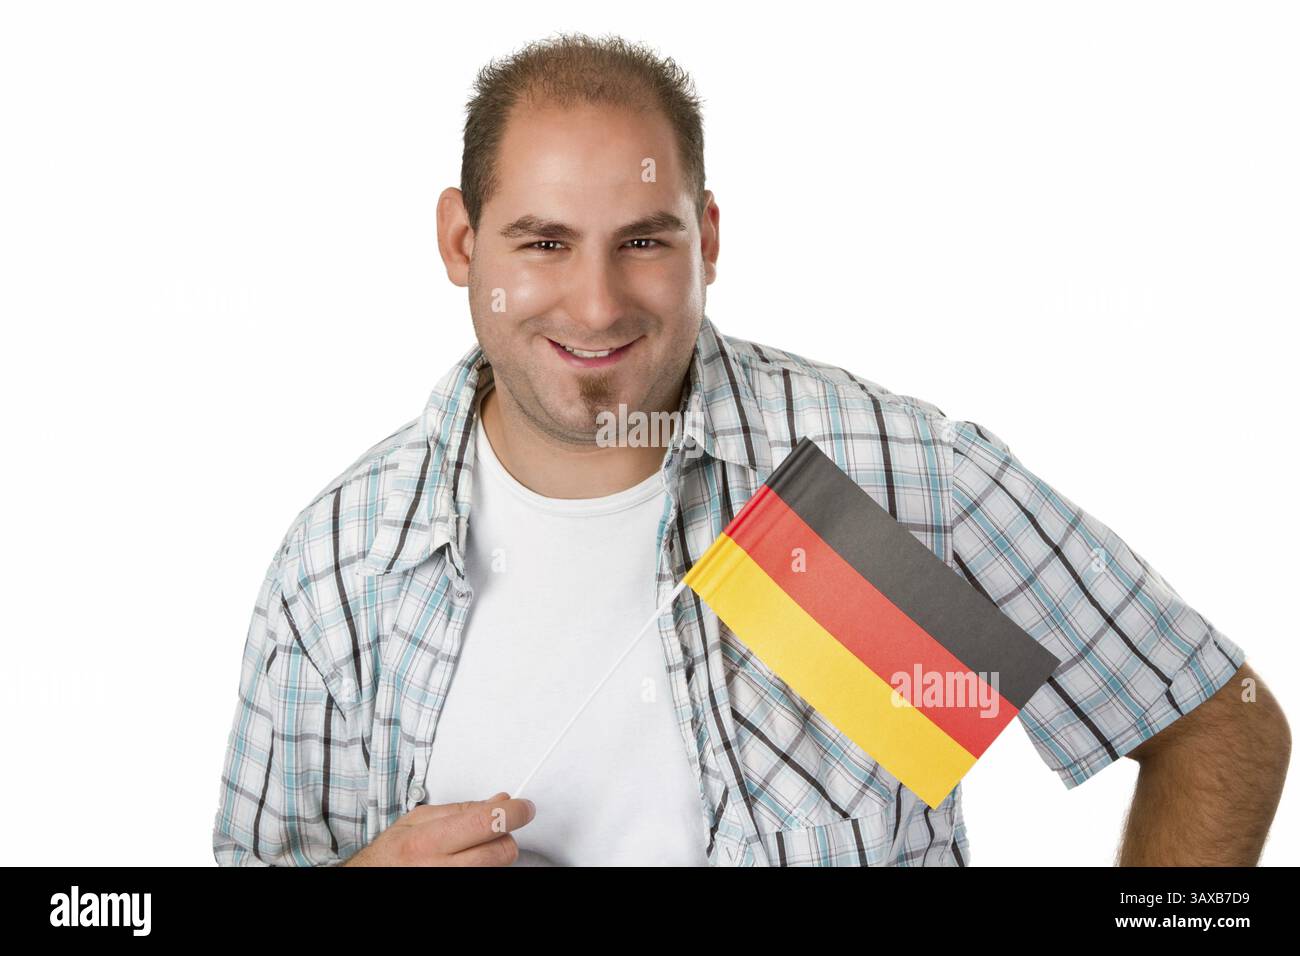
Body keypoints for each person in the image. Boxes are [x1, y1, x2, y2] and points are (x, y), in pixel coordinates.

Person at [211, 33, 1289, 867]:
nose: (596, 302)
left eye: (644, 240)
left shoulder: (888, 477)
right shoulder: (340, 566)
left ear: (708, 239)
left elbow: (1215, 727)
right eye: (543, 242)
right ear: (461, 241)